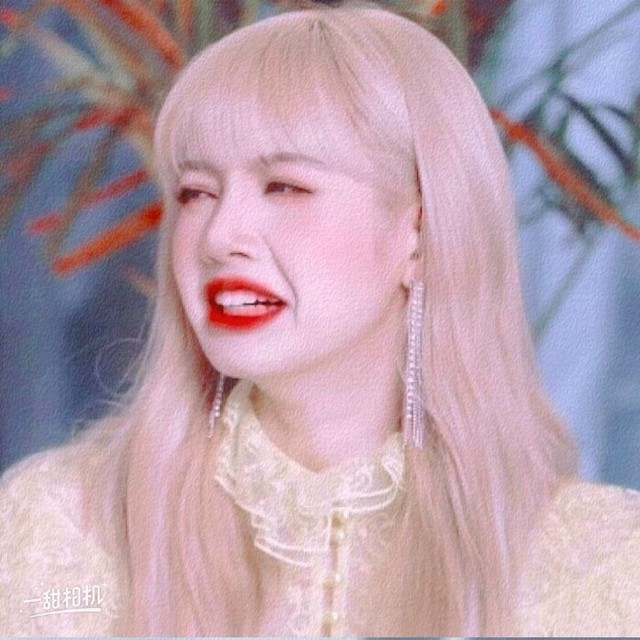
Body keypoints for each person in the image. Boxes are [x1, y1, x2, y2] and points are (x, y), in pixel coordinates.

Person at [1, 2, 640, 636]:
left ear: (420, 233)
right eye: (197, 192)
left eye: (285, 186)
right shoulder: (60, 533)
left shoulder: (602, 566)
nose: (219, 236)